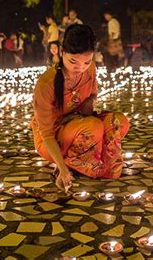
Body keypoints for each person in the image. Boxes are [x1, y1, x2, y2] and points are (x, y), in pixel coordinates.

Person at [31, 24, 130, 191]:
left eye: (86, 61)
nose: (80, 67)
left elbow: (92, 94)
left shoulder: (89, 69)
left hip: (80, 122)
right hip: (53, 138)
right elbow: (46, 135)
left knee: (119, 121)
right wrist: (62, 169)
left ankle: (92, 161)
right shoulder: (46, 84)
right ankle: (72, 163)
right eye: (73, 61)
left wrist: (88, 103)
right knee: (93, 127)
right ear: (62, 52)